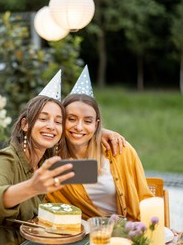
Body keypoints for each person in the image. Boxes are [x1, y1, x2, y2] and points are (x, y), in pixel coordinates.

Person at [0, 70, 124, 245]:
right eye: (43, 119)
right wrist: (32, 187)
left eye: (58, 121)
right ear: (25, 124)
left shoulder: (48, 161)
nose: (51, 126)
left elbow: (90, 172)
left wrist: (98, 132)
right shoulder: (6, 159)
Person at [47, 93, 154, 222]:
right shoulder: (53, 161)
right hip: (84, 235)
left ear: (96, 125)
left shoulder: (120, 151)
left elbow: (145, 198)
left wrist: (157, 229)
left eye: (87, 121)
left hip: (126, 232)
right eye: (71, 119)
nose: (79, 127)